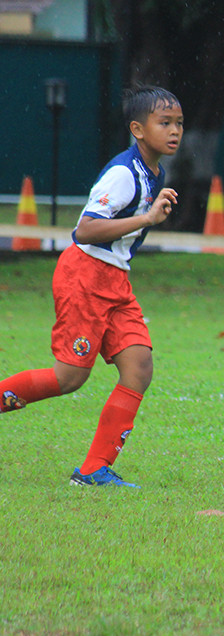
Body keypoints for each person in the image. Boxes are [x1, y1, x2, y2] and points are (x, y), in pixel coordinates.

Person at [0, 85, 183, 487]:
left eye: (179, 123)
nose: (174, 131)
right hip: (84, 276)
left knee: (138, 367)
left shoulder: (155, 171)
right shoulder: (122, 173)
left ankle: (92, 470)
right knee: (69, 378)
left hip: (116, 280)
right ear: (137, 128)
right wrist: (145, 219)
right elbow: (85, 230)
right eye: (164, 122)